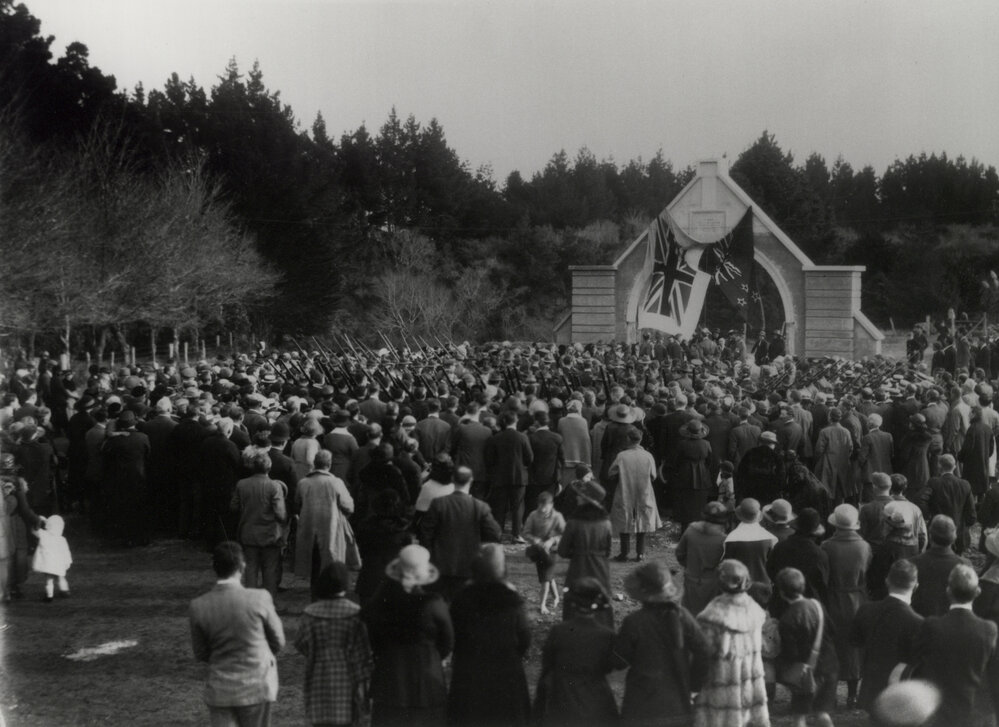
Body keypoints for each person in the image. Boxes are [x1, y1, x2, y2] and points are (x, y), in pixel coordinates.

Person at [189, 542, 286, 727]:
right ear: (243, 566)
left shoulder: (198, 606)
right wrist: (260, 653)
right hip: (257, 684)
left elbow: (201, 653)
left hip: (220, 689)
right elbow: (279, 641)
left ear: (213, 567)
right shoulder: (261, 598)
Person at [362, 544, 453, 727]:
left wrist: (383, 654)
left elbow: (373, 635)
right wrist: (435, 656)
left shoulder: (382, 602)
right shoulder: (434, 604)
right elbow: (447, 640)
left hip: (390, 671)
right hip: (427, 674)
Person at [613, 560, 710, 727]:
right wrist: (694, 685)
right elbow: (706, 651)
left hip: (640, 709)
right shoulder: (683, 617)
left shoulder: (634, 622)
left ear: (641, 592)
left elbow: (618, 661)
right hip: (678, 706)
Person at [447, 544, 532, 727]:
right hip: (505, 668)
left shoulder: (462, 597)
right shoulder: (511, 599)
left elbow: (453, 633)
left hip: (469, 668)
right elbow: (524, 636)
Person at [914, 564, 999, 727]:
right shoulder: (988, 630)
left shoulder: (931, 626)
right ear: (977, 592)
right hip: (973, 712)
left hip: (937, 710)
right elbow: (993, 674)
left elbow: (917, 663)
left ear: (948, 591)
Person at [295, 561, 374, 727]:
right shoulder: (355, 614)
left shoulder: (310, 613)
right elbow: (363, 652)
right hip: (348, 678)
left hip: (318, 674)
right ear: (346, 584)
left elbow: (301, 643)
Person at [694, 559, 770, 727]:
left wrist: (694, 685)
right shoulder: (754, 611)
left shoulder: (712, 616)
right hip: (749, 688)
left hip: (719, 691)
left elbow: (703, 656)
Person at [533, 577, 618, 727]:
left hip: (563, 696)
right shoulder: (607, 635)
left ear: (572, 603)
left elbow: (548, 664)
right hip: (596, 697)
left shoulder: (558, 631)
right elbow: (609, 666)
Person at [850, 559, 923, 715]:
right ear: (916, 586)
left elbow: (855, 641)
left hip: (870, 690)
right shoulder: (917, 622)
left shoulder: (866, 610)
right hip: (900, 694)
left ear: (887, 581)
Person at [419, 465, 502, 601]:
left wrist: (431, 555)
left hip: (441, 565)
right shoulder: (480, 506)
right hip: (469, 566)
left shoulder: (438, 503)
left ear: (452, 479)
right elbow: (495, 533)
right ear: (471, 481)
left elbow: (425, 534)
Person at [820, 503, 871, 708]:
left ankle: (830, 695)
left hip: (833, 597)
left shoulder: (826, 546)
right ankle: (852, 695)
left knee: (831, 646)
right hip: (858, 598)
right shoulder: (864, 546)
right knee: (854, 648)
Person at [775, 567, 838, 727]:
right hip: (829, 666)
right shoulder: (818, 605)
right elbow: (832, 630)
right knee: (822, 713)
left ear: (781, 592)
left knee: (799, 716)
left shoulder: (787, 619)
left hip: (806, 674)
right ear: (803, 586)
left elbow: (792, 653)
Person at [295, 449, 355, 600]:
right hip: (331, 528)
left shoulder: (303, 483)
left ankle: (315, 594)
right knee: (330, 561)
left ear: (315, 464)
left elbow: (297, 503)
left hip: (309, 529)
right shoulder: (336, 482)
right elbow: (349, 506)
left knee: (314, 562)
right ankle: (330, 594)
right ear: (330, 464)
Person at [558, 478, 613, 628]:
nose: (577, 497)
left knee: (575, 599)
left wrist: (577, 553)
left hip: (578, 567)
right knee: (600, 597)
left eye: (580, 495)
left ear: (586, 500)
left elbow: (562, 551)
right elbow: (608, 551)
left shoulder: (573, 522)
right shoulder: (606, 523)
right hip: (601, 567)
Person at [231, 450, 287, 597]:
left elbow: (233, 507)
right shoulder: (275, 486)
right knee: (270, 570)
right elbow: (281, 514)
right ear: (269, 467)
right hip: (270, 534)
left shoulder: (241, 484)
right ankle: (269, 603)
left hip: (248, 532)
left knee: (250, 569)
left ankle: (250, 601)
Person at [609, 427, 661, 561]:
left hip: (626, 489)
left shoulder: (622, 456)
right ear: (640, 439)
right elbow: (653, 475)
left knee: (624, 518)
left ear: (628, 439)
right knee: (642, 518)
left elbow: (611, 472)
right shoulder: (648, 456)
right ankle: (640, 552)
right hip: (644, 490)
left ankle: (624, 552)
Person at [484, 410, 533, 541]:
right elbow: (529, 458)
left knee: (499, 507)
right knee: (518, 506)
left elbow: (489, 460)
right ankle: (516, 534)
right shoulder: (522, 437)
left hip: (499, 476)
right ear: (515, 422)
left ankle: (498, 534)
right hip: (519, 476)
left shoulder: (495, 438)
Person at [910, 515, 972, 617]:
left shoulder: (912, 563)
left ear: (930, 536)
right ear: (954, 537)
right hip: (950, 624)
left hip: (919, 623)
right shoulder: (965, 565)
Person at [675, 501, 728, 616]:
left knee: (689, 614)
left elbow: (679, 554)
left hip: (691, 578)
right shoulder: (724, 539)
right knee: (710, 616)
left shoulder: (691, 530)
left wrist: (690, 565)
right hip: (713, 582)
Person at [522, 490, 566, 614]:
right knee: (546, 576)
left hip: (553, 552)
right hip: (538, 551)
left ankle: (542, 605)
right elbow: (525, 532)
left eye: (545, 507)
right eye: (540, 506)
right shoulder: (533, 515)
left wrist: (553, 540)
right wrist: (535, 539)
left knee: (545, 578)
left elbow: (565, 534)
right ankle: (557, 596)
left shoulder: (557, 516)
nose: (542, 510)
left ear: (551, 505)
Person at [925, 453, 976, 554]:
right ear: (955, 466)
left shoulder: (933, 482)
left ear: (939, 466)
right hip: (958, 530)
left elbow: (921, 500)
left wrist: (927, 515)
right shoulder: (965, 484)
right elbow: (971, 511)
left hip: (937, 528)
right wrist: (968, 523)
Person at [722, 498, 777, 589]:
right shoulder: (770, 538)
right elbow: (772, 565)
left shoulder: (731, 538)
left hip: (739, 586)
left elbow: (727, 565)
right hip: (763, 586)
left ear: (740, 515)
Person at [672, 419, 713, 534]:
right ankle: (699, 532)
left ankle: (684, 532)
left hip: (685, 475)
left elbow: (677, 461)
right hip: (702, 475)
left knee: (685, 504)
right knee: (700, 503)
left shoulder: (682, 443)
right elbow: (709, 461)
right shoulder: (706, 444)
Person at [814, 407, 856, 504]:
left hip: (827, 463)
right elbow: (850, 448)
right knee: (840, 491)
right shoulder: (846, 431)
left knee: (826, 490)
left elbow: (819, 450)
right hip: (843, 464)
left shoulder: (824, 431)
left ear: (830, 417)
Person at [32, 513, 72, 602]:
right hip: (59, 564)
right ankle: (64, 590)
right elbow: (66, 552)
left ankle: (49, 596)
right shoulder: (62, 539)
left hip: (48, 564)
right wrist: (67, 561)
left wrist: (40, 521)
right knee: (61, 577)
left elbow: (34, 530)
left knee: (49, 579)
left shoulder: (44, 535)